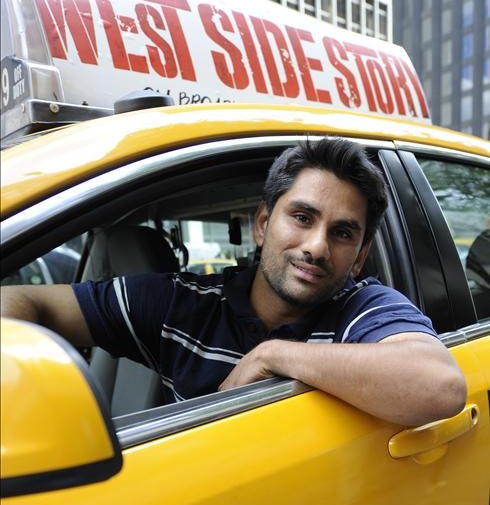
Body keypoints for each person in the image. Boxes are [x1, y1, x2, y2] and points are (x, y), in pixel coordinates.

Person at [1, 138, 466, 426]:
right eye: (302, 217)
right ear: (263, 224)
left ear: (361, 256)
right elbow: (22, 300)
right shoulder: (179, 303)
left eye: (343, 233)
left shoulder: (363, 309)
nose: (318, 247)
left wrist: (270, 356)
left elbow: (440, 387)